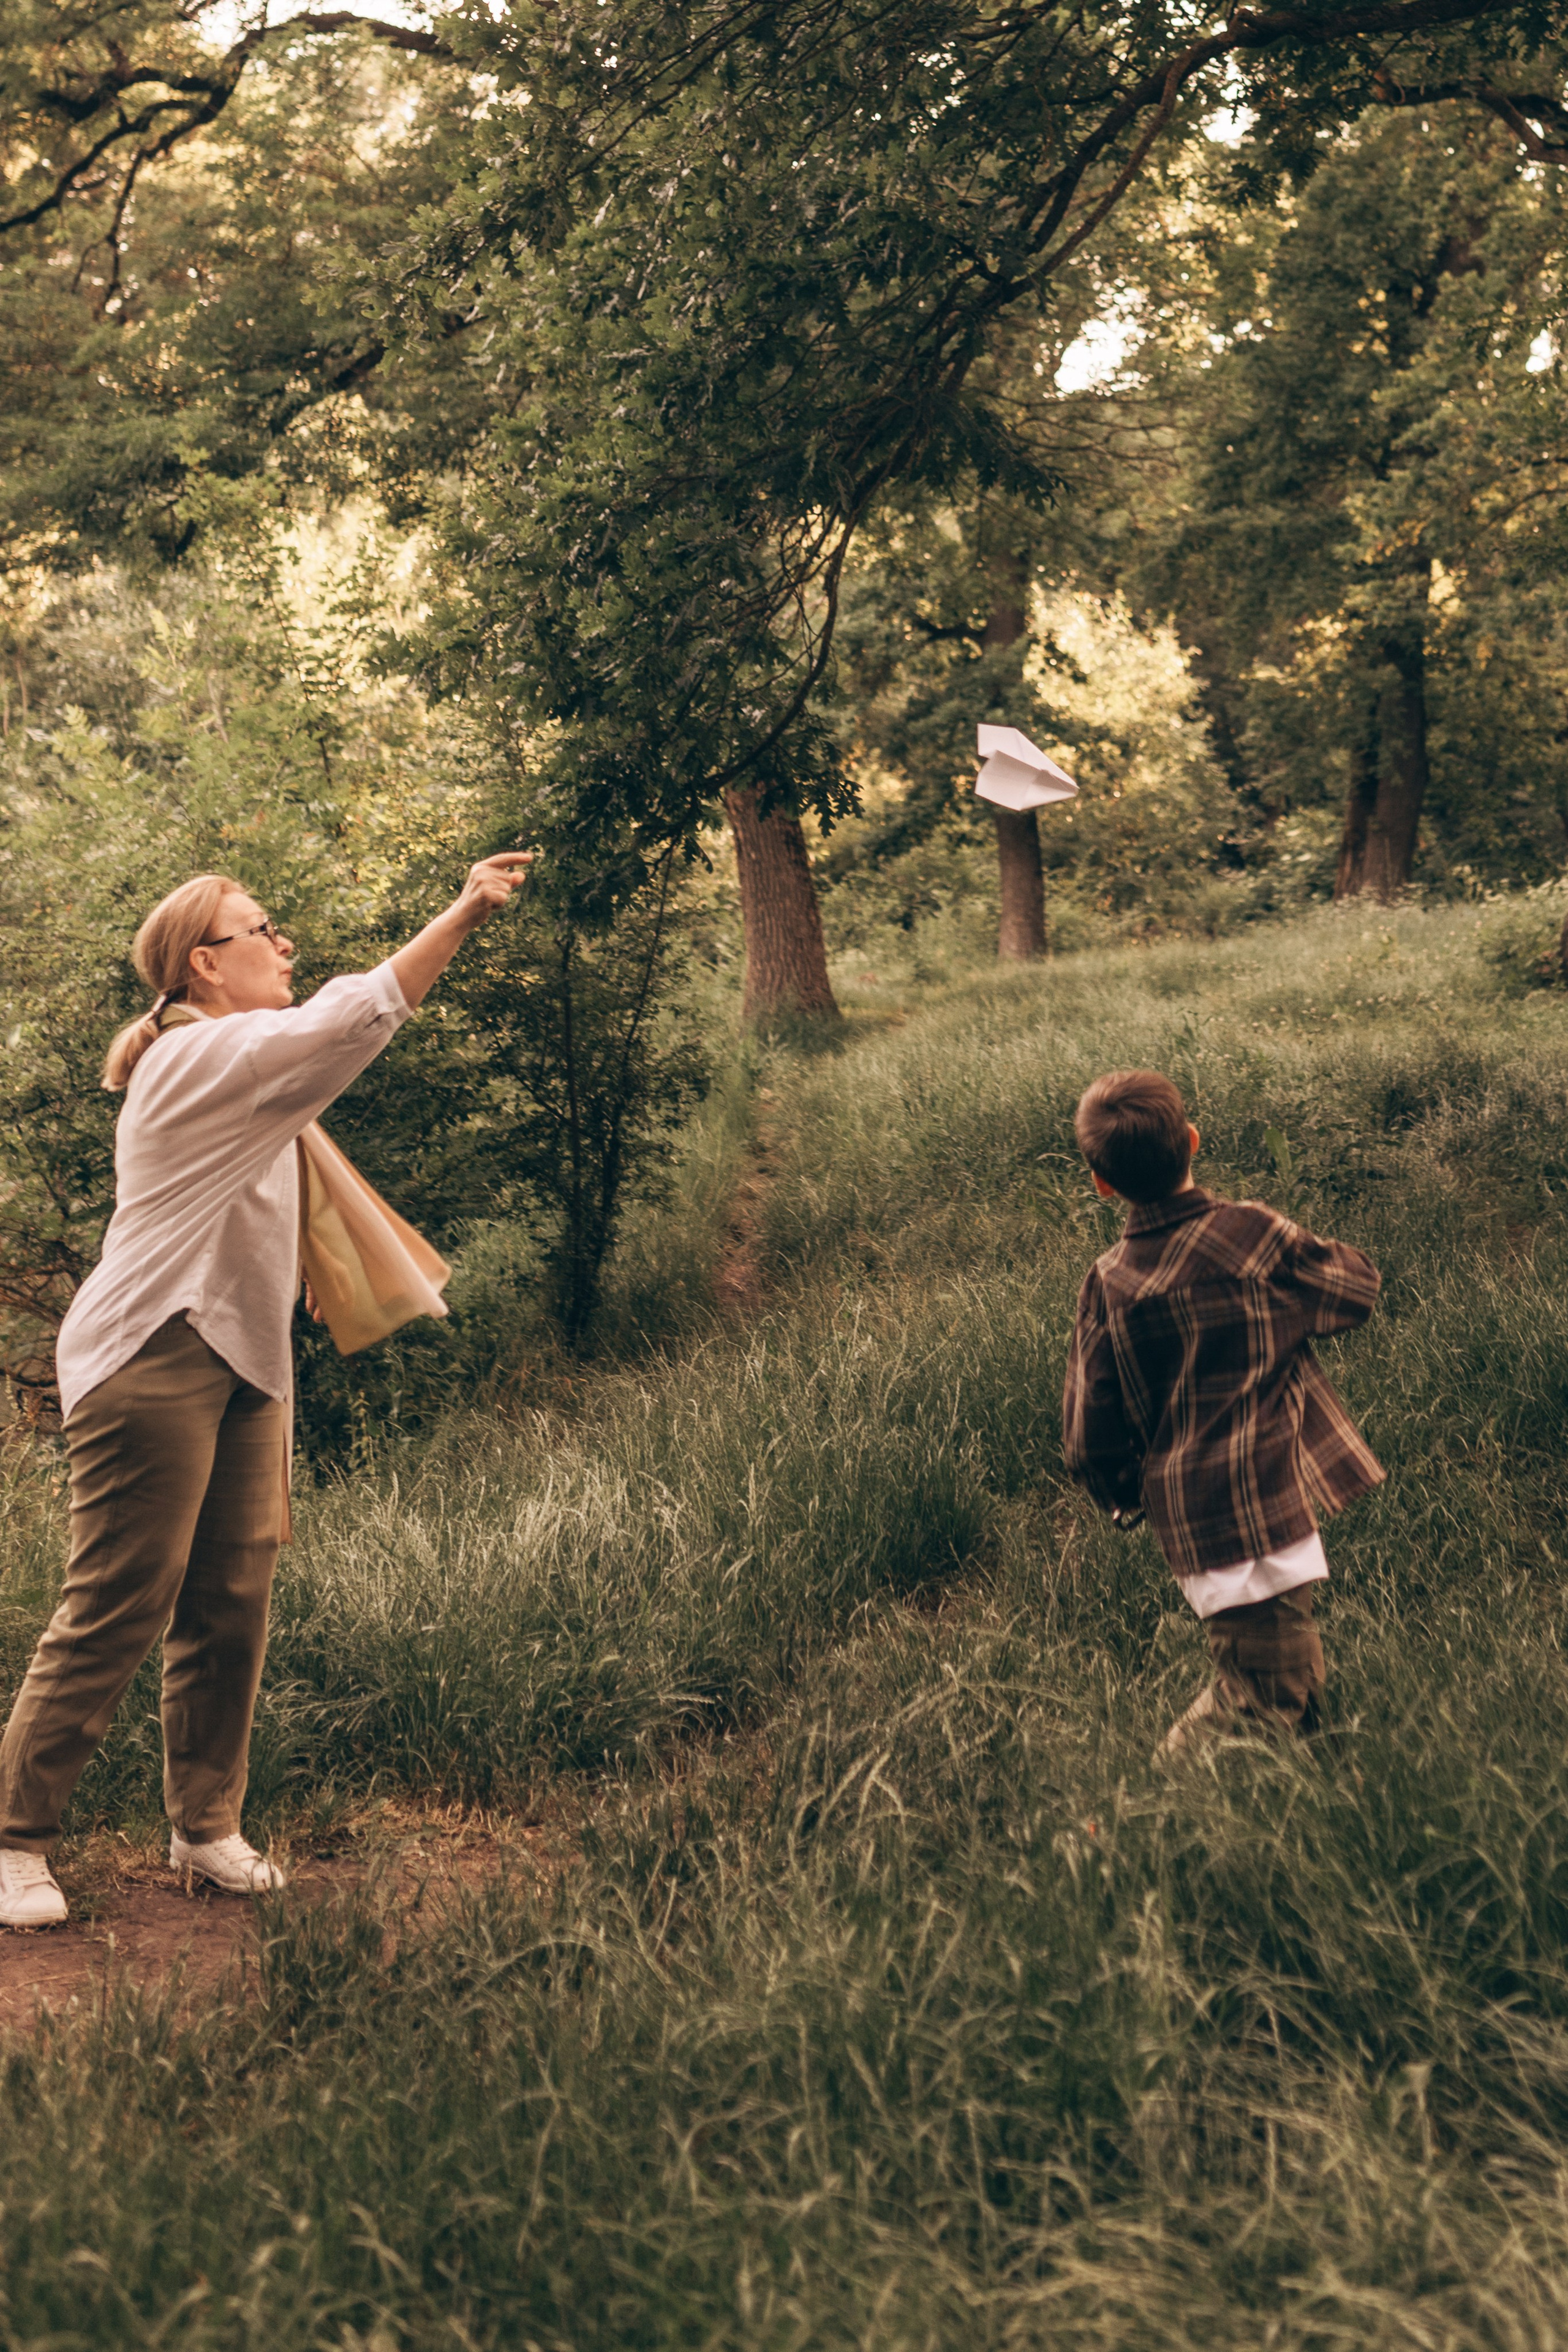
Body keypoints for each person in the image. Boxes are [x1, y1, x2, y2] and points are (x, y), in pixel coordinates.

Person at [0, 853, 532, 1930]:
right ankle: (13, 1838)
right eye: (263, 929)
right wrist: (464, 913)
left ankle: (205, 1829)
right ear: (206, 963)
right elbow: (349, 1019)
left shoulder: (238, 1065)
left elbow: (260, 1183)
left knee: (230, 1601)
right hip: (151, 1352)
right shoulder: (194, 1056)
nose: (284, 944)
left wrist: (303, 1276)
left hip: (245, 1355)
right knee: (119, 1604)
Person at [1061, 1068, 1384, 1760]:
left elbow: (1091, 1431)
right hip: (1261, 1503)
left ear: (1101, 1181)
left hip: (1194, 1515)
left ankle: (1311, 1792)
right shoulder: (1252, 1234)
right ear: (1193, 1142)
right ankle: (1157, 1803)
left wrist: (1122, 1496)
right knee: (1260, 1694)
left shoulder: (1109, 1283)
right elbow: (1355, 1289)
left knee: (1286, 1666)